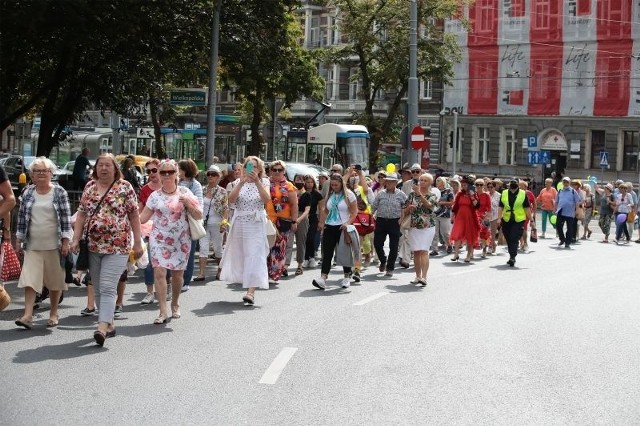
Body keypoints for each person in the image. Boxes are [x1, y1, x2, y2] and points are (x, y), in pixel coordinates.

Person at [71, 154, 143, 346]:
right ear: (95, 168)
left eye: (107, 165)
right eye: (100, 165)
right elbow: (81, 214)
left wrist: (138, 242)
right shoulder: (89, 187)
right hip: (92, 246)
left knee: (109, 286)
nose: (103, 169)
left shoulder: (125, 187)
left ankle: (101, 326)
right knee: (98, 286)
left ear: (115, 169)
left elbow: (134, 216)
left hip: (118, 245)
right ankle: (109, 322)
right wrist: (75, 239)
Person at [139, 159, 202, 324]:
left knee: (177, 275)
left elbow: (198, 215)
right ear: (159, 175)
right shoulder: (154, 196)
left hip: (181, 240)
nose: (166, 175)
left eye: (170, 172)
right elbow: (143, 218)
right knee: (159, 272)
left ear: (177, 174)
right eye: (163, 172)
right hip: (159, 239)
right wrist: (128, 217)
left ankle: (175, 302)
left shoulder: (185, 192)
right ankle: (162, 311)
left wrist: (188, 204)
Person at [13, 158, 72, 329]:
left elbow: (66, 220)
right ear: (31, 174)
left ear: (51, 173)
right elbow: (22, 220)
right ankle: (27, 315)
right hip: (32, 244)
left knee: (54, 282)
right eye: (37, 171)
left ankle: (53, 312)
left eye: (44, 171)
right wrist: (19, 240)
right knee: (29, 280)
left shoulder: (59, 192)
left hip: (54, 244)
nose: (41, 174)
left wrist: (66, 241)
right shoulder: (28, 193)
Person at [219, 156, 271, 305]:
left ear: (260, 169)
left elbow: (267, 199)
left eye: (255, 167)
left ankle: (251, 292)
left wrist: (257, 182)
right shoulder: (237, 182)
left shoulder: (264, 182)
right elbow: (231, 200)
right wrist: (241, 182)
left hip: (255, 222)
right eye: (249, 166)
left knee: (254, 254)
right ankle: (244, 280)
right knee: (242, 254)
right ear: (244, 168)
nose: (252, 169)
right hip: (240, 222)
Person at [312, 173, 358, 289]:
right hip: (330, 226)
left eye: (336, 185)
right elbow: (325, 210)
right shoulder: (330, 194)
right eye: (332, 185)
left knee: (344, 253)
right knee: (327, 253)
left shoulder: (349, 195)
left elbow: (354, 212)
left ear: (341, 184)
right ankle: (323, 278)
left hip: (342, 227)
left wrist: (347, 224)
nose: (334, 187)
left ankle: (347, 276)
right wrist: (322, 223)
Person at [265, 160, 298, 283]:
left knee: (278, 249)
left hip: (283, 221)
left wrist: (294, 221)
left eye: (280, 170)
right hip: (267, 220)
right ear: (270, 171)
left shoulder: (289, 186)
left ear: (284, 171)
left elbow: (294, 205)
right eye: (274, 170)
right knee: (265, 247)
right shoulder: (265, 183)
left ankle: (274, 274)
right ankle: (263, 273)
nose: (277, 172)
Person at [195, 164, 228, 281]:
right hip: (203, 224)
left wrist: (224, 223)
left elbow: (225, 209)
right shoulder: (202, 190)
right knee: (203, 247)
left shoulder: (222, 192)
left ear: (219, 177)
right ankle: (201, 273)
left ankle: (220, 270)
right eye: (208, 174)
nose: (210, 176)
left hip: (217, 224)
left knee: (218, 248)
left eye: (213, 174)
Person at [403, 173, 437, 286]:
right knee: (416, 251)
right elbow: (404, 210)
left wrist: (419, 194)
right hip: (414, 226)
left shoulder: (433, 195)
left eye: (425, 180)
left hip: (427, 226)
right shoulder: (411, 195)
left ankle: (424, 277)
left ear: (430, 183)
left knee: (424, 251)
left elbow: (429, 206)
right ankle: (417, 276)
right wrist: (409, 208)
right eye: (421, 180)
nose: (422, 182)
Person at [370, 173, 407, 277]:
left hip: (394, 222)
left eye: (391, 181)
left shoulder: (401, 194)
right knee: (377, 243)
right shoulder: (381, 194)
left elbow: (405, 206)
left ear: (396, 183)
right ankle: (383, 260)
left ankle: (390, 268)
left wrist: (402, 218)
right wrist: (370, 218)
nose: (389, 183)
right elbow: (374, 207)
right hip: (381, 221)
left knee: (393, 246)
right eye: (387, 181)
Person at [178, 159, 203, 292]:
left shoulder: (196, 185)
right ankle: (175, 279)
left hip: (190, 222)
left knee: (189, 252)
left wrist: (187, 203)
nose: (177, 171)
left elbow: (199, 206)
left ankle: (186, 280)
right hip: (176, 222)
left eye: (179, 168)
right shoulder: (176, 182)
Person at [138, 158, 161, 304]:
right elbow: (139, 210)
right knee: (149, 261)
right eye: (148, 171)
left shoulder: (168, 186)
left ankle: (168, 287)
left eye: (154, 170)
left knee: (164, 262)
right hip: (147, 228)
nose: (151, 173)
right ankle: (149, 292)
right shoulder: (145, 189)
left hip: (165, 229)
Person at [497, 179, 533, 267]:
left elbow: (527, 208)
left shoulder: (523, 193)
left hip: (518, 220)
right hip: (506, 219)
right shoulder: (504, 193)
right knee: (508, 238)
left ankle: (513, 257)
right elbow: (501, 207)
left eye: (514, 184)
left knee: (514, 237)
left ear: (518, 185)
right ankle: (511, 255)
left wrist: (531, 220)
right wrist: (499, 218)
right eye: (511, 184)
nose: (512, 186)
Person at [285, 174, 310, 276]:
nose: (299, 181)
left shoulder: (307, 194)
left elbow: (307, 210)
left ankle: (300, 265)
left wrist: (298, 219)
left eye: (301, 179)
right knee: (288, 242)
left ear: (304, 182)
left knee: (300, 242)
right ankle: (285, 265)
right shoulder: (290, 192)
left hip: (301, 218)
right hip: (290, 218)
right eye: (297, 179)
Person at [449, 176, 480, 262]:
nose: (463, 186)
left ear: (469, 185)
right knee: (457, 234)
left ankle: (468, 255)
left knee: (470, 236)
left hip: (470, 217)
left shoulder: (473, 194)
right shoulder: (460, 194)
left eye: (465, 185)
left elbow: (476, 206)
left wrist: (472, 195)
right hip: (460, 217)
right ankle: (455, 254)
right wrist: (453, 216)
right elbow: (455, 207)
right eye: (462, 185)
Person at [554, 176, 581, 249]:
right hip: (561, 211)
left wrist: (577, 210)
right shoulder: (560, 191)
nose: (565, 183)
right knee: (558, 226)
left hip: (570, 212)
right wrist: (555, 209)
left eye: (567, 182)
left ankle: (567, 242)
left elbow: (577, 201)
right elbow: (556, 201)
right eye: (564, 182)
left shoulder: (573, 191)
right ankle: (562, 239)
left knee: (570, 228)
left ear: (569, 183)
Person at [303, 175, 323, 268]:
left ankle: (311, 258)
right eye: (308, 182)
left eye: (311, 182)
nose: (310, 184)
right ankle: (306, 258)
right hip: (303, 218)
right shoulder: (302, 193)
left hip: (313, 218)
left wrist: (321, 221)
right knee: (305, 239)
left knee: (310, 238)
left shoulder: (317, 194)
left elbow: (321, 209)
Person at [430, 176, 454, 256]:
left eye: (439, 181)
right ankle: (434, 249)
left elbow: (452, 203)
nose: (437, 182)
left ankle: (449, 245)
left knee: (445, 233)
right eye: (436, 181)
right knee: (434, 232)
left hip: (445, 214)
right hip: (435, 214)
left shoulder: (448, 191)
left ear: (443, 182)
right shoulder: (433, 191)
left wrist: (442, 203)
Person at [486, 179, 501, 254]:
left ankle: (491, 246)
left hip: (495, 216)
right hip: (486, 216)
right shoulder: (486, 194)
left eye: (491, 187)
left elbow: (500, 207)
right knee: (487, 232)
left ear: (494, 187)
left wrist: (499, 218)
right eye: (488, 187)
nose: (490, 188)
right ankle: (492, 244)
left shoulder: (499, 195)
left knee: (493, 233)